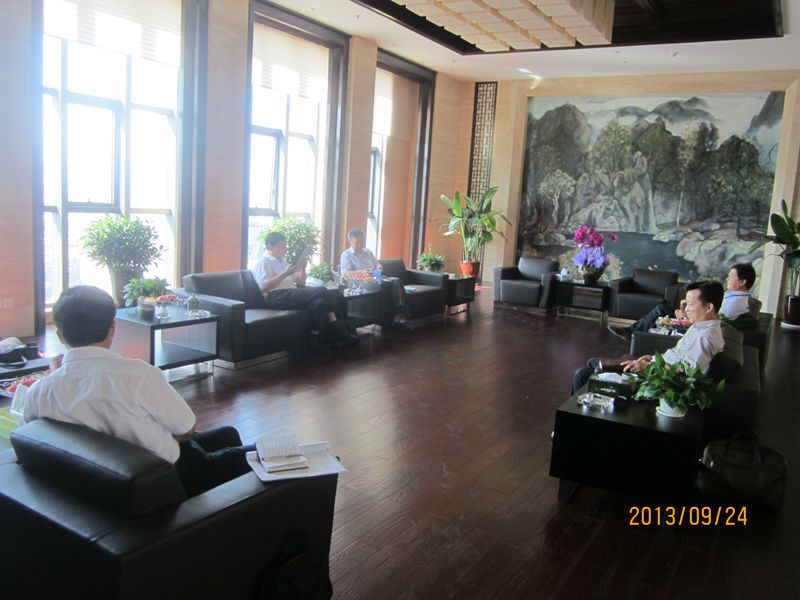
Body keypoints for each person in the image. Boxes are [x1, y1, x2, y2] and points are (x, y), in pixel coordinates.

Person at [21, 285, 253, 497]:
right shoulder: (138, 375)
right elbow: (187, 429)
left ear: (60, 335)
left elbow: (30, 439)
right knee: (257, 455)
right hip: (166, 476)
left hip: (99, 479)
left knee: (228, 434)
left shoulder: (40, 392)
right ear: (113, 328)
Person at [572, 281, 725, 394]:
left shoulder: (706, 337)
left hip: (656, 382)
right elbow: (680, 358)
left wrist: (649, 367)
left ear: (708, 307)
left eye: (690, 304)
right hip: (656, 370)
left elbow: (687, 376)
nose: (686, 309)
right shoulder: (701, 327)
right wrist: (654, 359)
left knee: (583, 374)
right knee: (592, 363)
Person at [253, 231, 357, 347]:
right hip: (275, 296)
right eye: (281, 247)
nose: (285, 250)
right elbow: (263, 287)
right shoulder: (264, 262)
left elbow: (300, 282)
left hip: (290, 293)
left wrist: (303, 268)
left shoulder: (283, 261)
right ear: (269, 247)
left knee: (319, 303)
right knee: (322, 290)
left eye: (285, 246)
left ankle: (320, 341)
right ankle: (338, 329)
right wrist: (285, 273)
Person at [607, 263, 756, 342]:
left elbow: (714, 316)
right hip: (699, 319)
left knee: (661, 309)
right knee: (662, 308)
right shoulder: (735, 296)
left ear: (742, 281)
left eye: (731, 277)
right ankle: (633, 331)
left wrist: (685, 315)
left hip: (697, 322)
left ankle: (632, 332)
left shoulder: (736, 303)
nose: (728, 279)